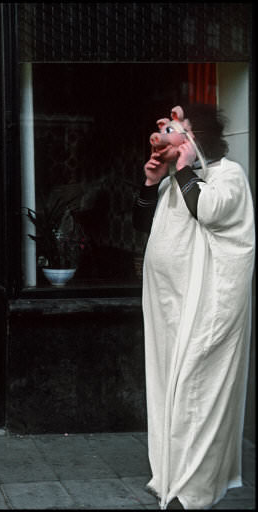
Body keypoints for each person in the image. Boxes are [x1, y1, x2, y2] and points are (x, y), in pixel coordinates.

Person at [133, 104, 255, 509]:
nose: (162, 135)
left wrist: (183, 169)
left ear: (193, 139)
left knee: (198, 390)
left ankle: (196, 487)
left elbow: (208, 211)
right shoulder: (177, 180)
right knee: (170, 387)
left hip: (206, 309)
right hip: (169, 307)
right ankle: (169, 472)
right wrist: (152, 182)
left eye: (174, 130)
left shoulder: (227, 176)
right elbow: (141, 225)